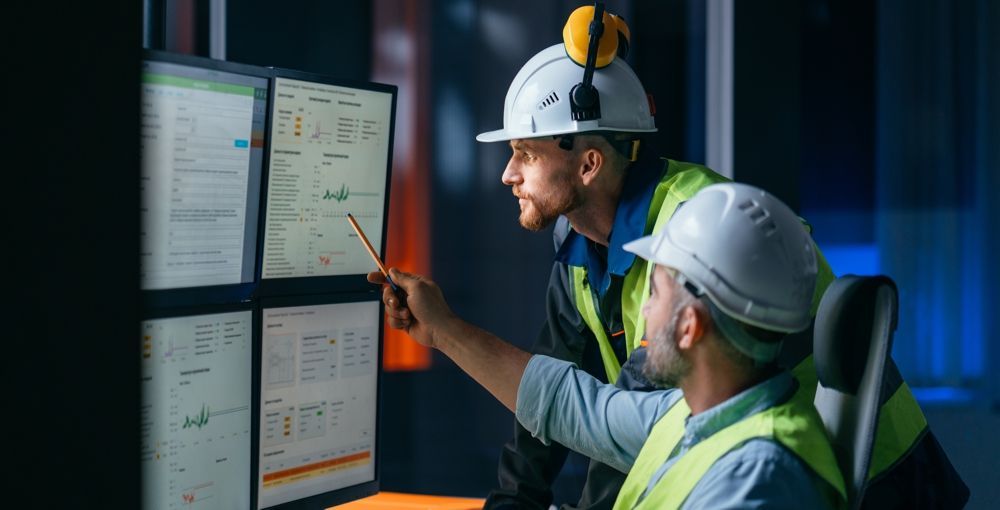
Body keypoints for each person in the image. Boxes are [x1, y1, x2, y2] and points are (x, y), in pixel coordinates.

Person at [467, 4, 967, 509]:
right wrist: (516, 499)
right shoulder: (578, 244)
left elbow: (624, 422)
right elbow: (555, 393)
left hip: (869, 476)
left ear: (589, 164)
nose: (508, 174)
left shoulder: (697, 230)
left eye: (526, 154)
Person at [371, 182, 848, 509]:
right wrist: (442, 330)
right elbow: (573, 406)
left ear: (689, 327)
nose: (642, 312)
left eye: (655, 293)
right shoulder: (695, 416)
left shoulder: (757, 479)